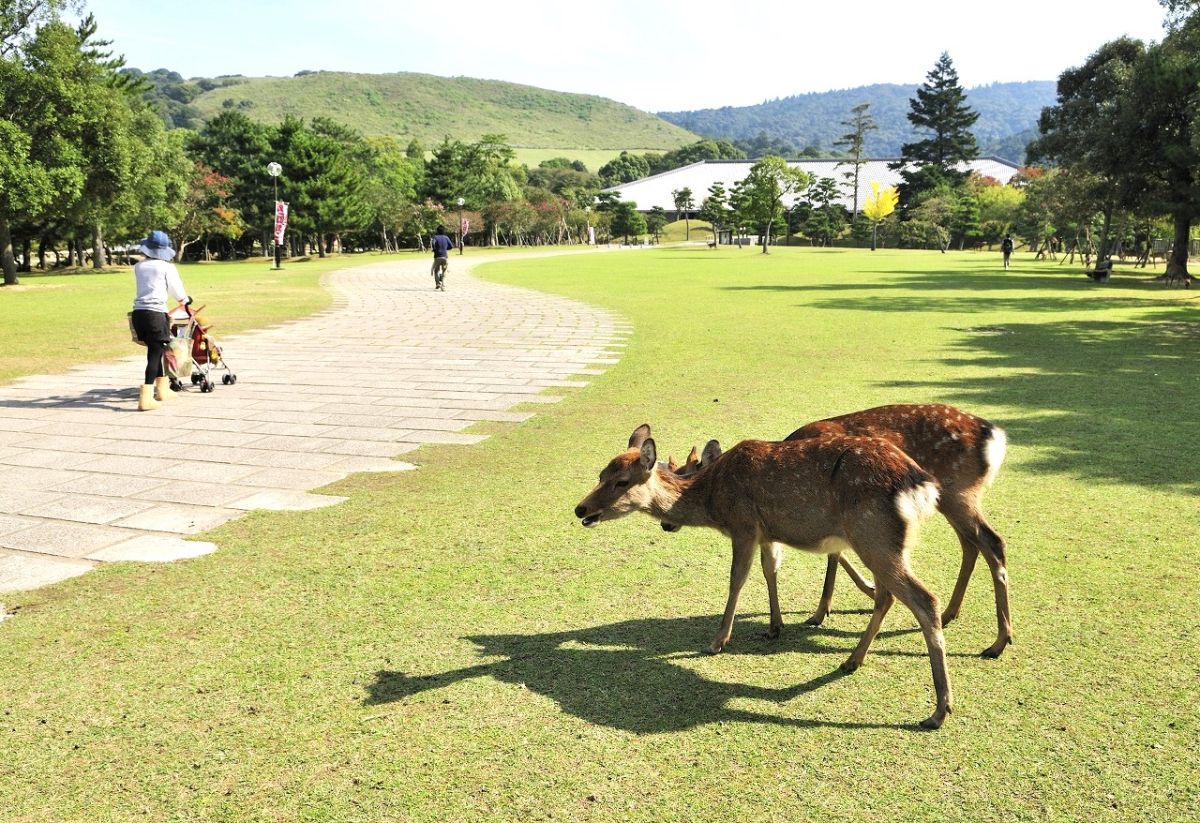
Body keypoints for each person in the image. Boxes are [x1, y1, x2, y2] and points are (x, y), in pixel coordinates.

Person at [130, 231, 190, 411]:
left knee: (155, 349)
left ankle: (163, 390)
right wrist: (185, 300)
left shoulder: (139, 266)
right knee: (155, 354)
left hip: (138, 313)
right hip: (156, 314)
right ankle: (146, 397)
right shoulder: (166, 267)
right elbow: (176, 290)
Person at [430, 224, 453, 291]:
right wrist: (445, 249)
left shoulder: (435, 237)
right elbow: (451, 246)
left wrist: (434, 249)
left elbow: (433, 244)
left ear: (437, 231)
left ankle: (437, 284)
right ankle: (443, 285)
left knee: (436, 271)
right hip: (445, 257)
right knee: (444, 271)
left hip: (437, 257)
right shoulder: (446, 237)